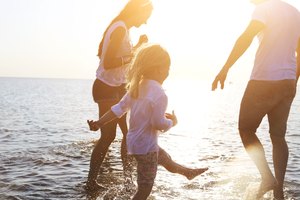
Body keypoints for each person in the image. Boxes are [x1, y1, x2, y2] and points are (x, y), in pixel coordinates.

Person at [88, 0, 208, 191]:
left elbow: (118, 60)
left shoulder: (123, 28)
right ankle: (92, 182)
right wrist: (137, 54)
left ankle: (129, 181)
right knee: (109, 136)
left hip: (117, 86)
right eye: (145, 17)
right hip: (106, 87)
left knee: (130, 135)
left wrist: (137, 48)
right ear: (138, 11)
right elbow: (110, 62)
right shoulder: (119, 28)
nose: (145, 22)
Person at [212, 0, 300, 199]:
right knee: (278, 137)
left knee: (246, 129)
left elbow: (246, 37)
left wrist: (225, 68)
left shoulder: (263, 9)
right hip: (287, 81)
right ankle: (278, 194)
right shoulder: (295, 12)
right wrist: (293, 80)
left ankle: (267, 178)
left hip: (264, 80)